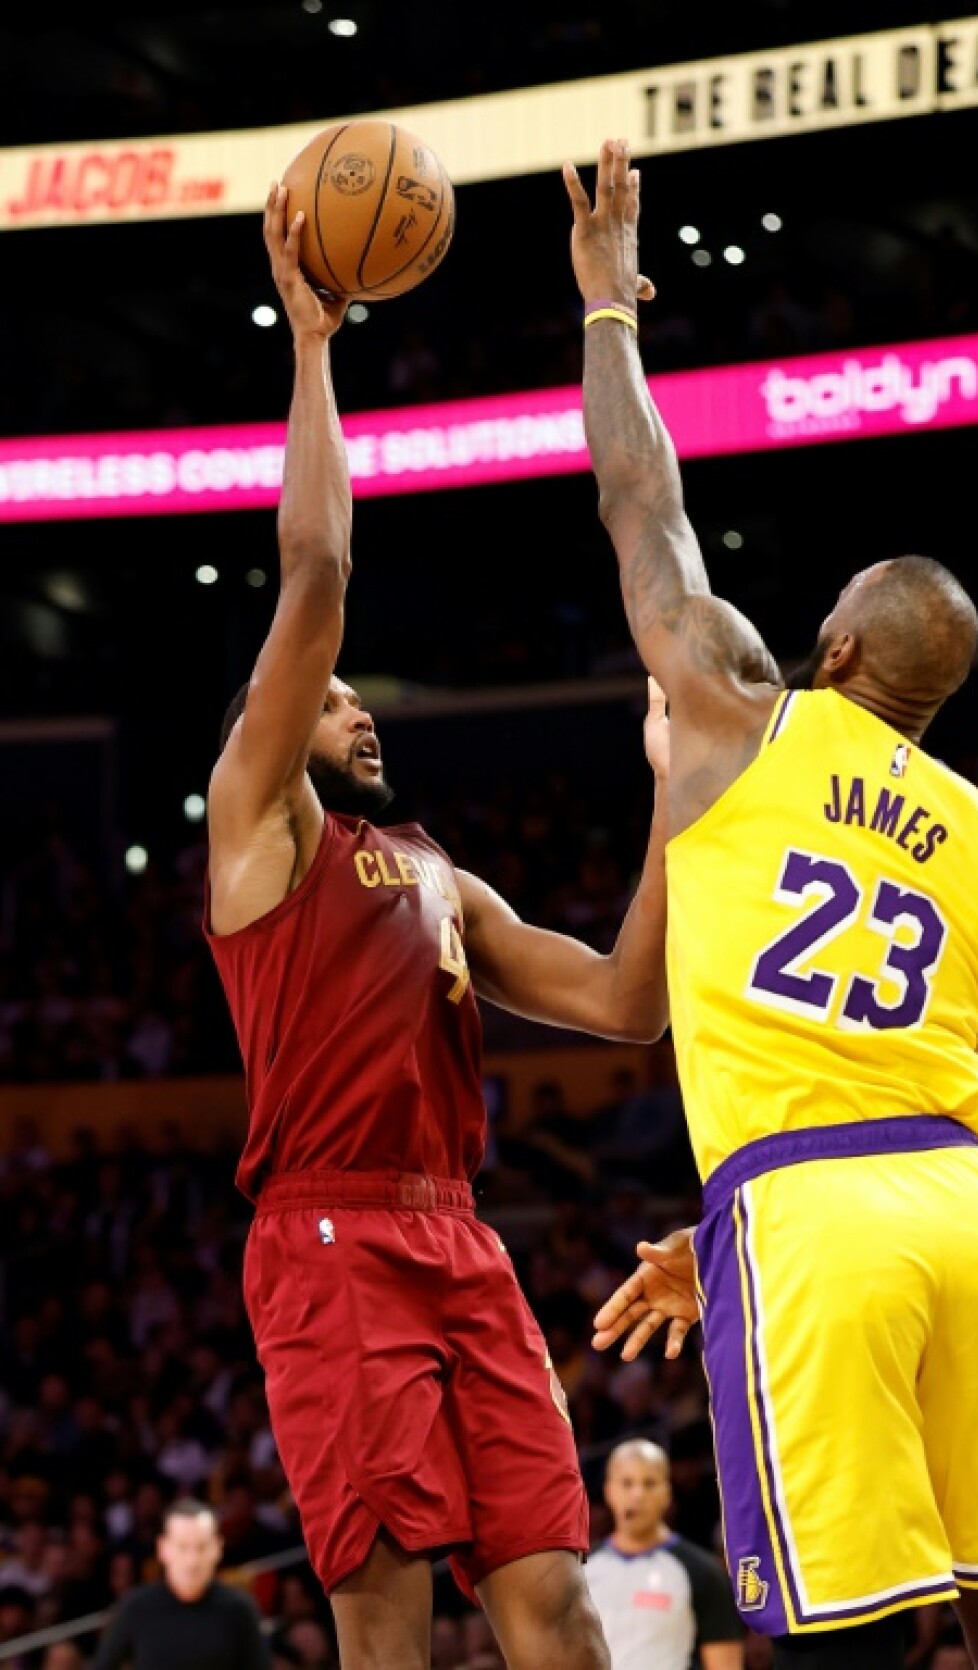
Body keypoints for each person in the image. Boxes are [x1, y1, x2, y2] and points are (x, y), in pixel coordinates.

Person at [564, 139, 978, 1670]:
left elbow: (637, 503)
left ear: (841, 646)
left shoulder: (740, 711)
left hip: (810, 1222)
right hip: (974, 1220)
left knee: (844, 1637)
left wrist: (607, 310)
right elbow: (972, 1104)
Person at [204, 185, 672, 1669]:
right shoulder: (259, 828)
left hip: (456, 1232)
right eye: (334, 698)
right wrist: (310, 347)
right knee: (388, 1623)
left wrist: (675, 791)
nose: (357, 704)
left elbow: (624, 1003)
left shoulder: (439, 874)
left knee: (557, 1602)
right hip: (330, 1228)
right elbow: (320, 576)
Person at [586, 1439, 744, 1670]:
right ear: (609, 1491)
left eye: (649, 1483)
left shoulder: (703, 1572)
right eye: (627, 1483)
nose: (638, 1494)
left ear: (667, 1493)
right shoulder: (582, 1570)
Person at [91, 1497, 268, 1669]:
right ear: (163, 1549)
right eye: (182, 1547)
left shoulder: (239, 1609)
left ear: (217, 1548)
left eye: (201, 1547)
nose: (192, 1561)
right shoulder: (135, 1608)